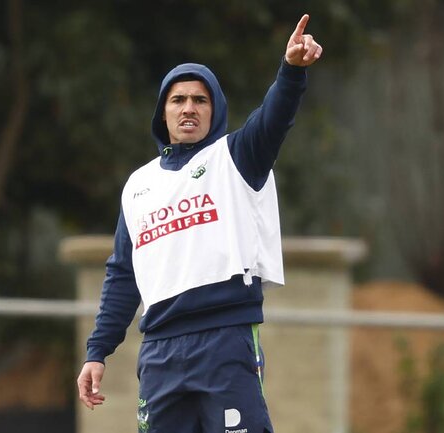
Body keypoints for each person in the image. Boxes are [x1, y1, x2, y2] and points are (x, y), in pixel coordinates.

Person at [77, 14, 322, 432]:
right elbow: (122, 275)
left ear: (215, 110)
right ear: (163, 113)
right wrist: (97, 351)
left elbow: (273, 120)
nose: (188, 107)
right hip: (159, 352)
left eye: (200, 99)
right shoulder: (138, 185)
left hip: (225, 339)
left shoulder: (236, 157)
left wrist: (291, 71)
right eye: (178, 99)